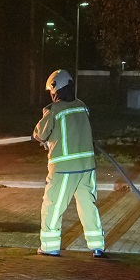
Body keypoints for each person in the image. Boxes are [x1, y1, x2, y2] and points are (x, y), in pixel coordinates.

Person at [32, 69, 105, 258]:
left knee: (53, 206)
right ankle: (97, 246)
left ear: (56, 88)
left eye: (51, 91)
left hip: (64, 169)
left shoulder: (54, 110)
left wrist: (44, 137)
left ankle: (49, 247)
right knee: (89, 206)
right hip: (87, 167)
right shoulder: (82, 106)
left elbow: (39, 134)